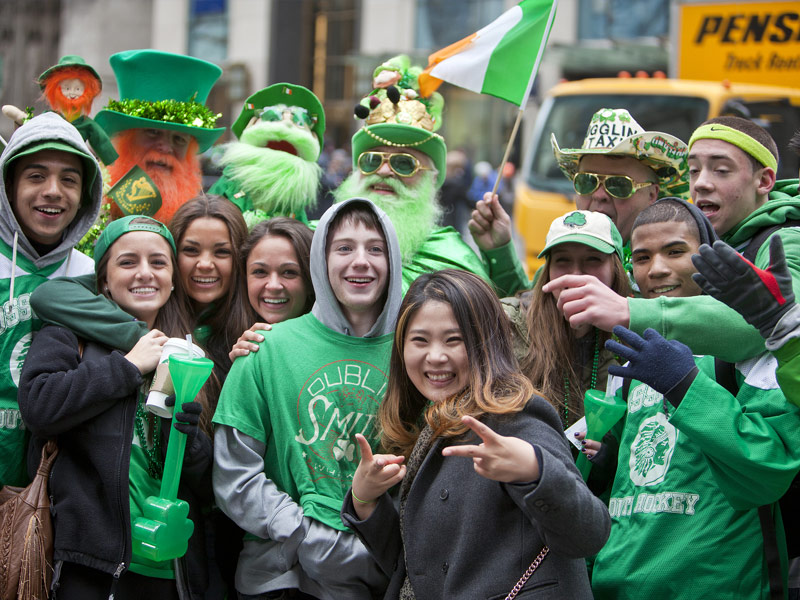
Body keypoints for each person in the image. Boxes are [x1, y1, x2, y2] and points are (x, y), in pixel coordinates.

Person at [341, 269, 610, 599]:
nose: (436, 356)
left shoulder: (515, 414)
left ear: (488, 343)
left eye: (454, 340)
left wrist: (535, 470)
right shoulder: (429, 426)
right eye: (420, 340)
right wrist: (365, 500)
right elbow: (420, 568)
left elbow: (589, 533)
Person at [587, 198, 800, 599]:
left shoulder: (749, 348)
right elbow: (621, 485)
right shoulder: (627, 353)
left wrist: (684, 383)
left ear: (710, 260)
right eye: (642, 256)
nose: (657, 269)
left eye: (675, 252)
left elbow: (769, 470)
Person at [213, 198, 403, 599]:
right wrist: (306, 536)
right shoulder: (264, 349)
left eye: (375, 247)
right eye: (344, 247)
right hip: (281, 577)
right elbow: (235, 476)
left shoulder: (416, 353)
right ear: (322, 259)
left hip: (384, 576)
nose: (361, 261)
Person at [18, 215, 212, 599]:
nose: (145, 273)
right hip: (87, 568)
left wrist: (191, 442)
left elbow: (206, 486)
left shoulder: (187, 352)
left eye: (158, 263)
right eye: (127, 262)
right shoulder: (66, 334)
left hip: (170, 574)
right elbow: (39, 407)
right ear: (102, 279)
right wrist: (126, 366)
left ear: (173, 279)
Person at [544, 116, 800, 364]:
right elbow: (536, 304)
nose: (701, 184)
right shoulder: (714, 237)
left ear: (764, 181)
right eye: (694, 171)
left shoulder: (787, 240)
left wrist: (629, 312)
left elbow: (769, 323)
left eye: (721, 170)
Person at [469, 107, 690, 295]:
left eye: (619, 185)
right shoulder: (566, 256)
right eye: (586, 182)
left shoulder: (676, 260)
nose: (599, 195)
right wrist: (500, 249)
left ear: (652, 194)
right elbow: (528, 316)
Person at [0, 111, 103, 488]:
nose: (54, 191)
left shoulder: (94, 276)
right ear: (8, 186)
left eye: (69, 179)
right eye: (36, 176)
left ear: (85, 195)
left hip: (55, 496)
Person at [335, 55, 496, 294]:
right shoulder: (317, 240)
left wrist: (500, 253)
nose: (385, 170)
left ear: (430, 178)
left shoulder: (454, 257)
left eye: (403, 163)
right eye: (371, 160)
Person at [516, 210, 630, 429]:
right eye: (563, 261)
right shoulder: (512, 325)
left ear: (616, 269)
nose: (576, 275)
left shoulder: (632, 334)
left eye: (593, 259)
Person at [95, 49, 225, 224]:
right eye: (153, 132)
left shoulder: (201, 220)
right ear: (126, 137)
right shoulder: (90, 204)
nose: (165, 147)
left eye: (179, 139)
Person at [209, 83, 325, 226]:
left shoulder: (292, 200)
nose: (287, 124)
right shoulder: (229, 183)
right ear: (251, 125)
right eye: (272, 117)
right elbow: (207, 216)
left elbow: (300, 235)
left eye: (299, 121)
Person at [229, 217, 315, 359]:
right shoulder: (227, 339)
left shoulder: (338, 344)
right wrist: (240, 370)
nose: (273, 286)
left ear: (312, 280)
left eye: (289, 272)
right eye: (260, 272)